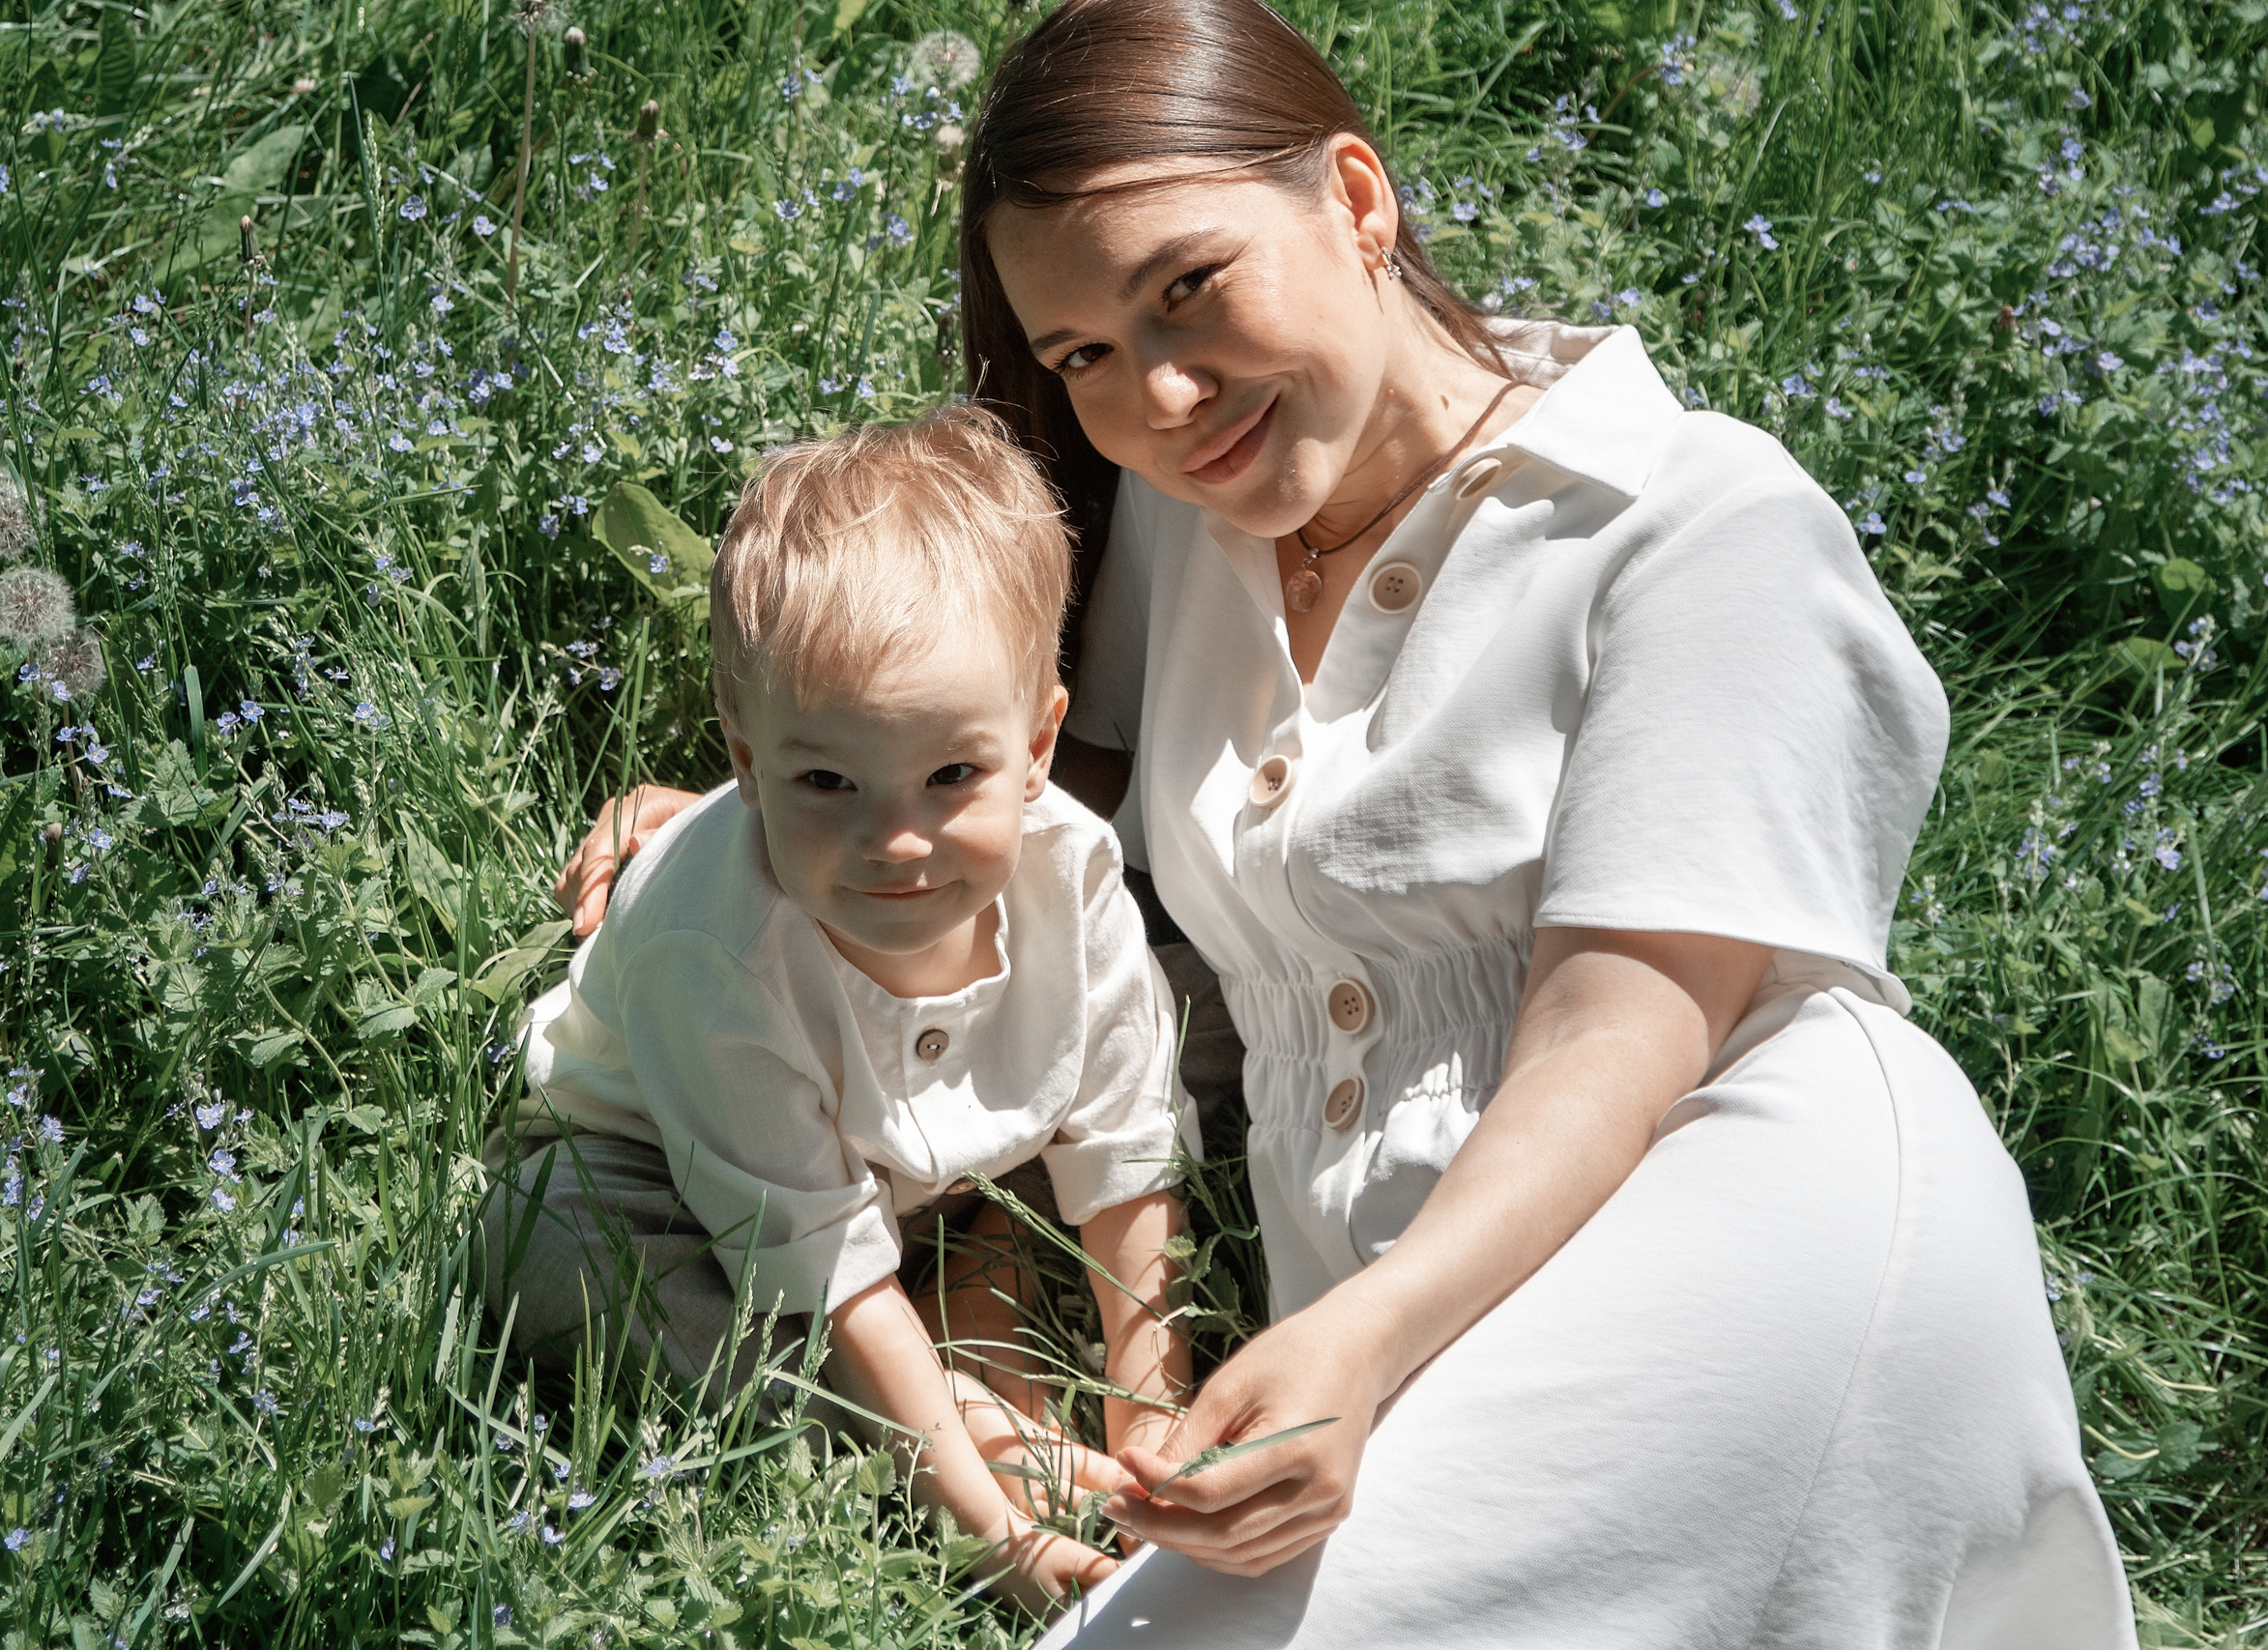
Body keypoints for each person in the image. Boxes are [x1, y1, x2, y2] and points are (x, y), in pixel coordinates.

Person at [558, 0, 2137, 1641]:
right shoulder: (1191, 519)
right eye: (1084, 354)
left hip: (1746, 1216)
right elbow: (1027, 789)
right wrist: (777, 823)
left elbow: (1622, 1037)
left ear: (1360, 204)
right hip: (1391, 1321)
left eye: (1192, 286)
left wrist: (1371, 1337)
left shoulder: (1694, 521)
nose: (1160, 393)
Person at [489, 408, 1198, 1615]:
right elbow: (814, 1260)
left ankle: (983, 1283)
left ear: (1036, 747)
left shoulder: (1068, 870)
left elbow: (1126, 1148)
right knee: (548, 1250)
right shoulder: (712, 947)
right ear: (745, 762)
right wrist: (999, 1545)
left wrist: (1157, 1413)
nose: (899, 842)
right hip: (664, 1166)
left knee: (1139, 1095)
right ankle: (960, 1423)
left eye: (952, 776)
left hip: (927, 1151)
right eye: (827, 782)